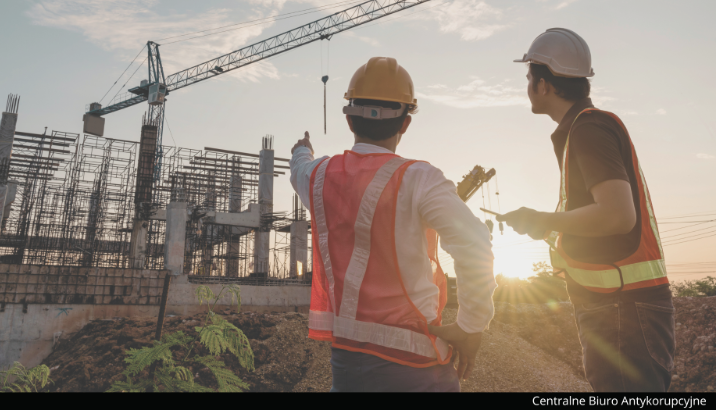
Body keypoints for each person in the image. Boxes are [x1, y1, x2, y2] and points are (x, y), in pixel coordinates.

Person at [289, 57, 496, 392]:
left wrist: (302, 149)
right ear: (405, 124)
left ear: (349, 119)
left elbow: (299, 166)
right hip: (416, 370)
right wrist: (471, 326)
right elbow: (475, 244)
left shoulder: (318, 176)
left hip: (346, 368)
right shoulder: (419, 179)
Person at [501, 28, 674, 392]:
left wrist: (541, 218)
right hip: (622, 306)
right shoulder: (585, 129)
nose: (528, 85)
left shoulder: (588, 129)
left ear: (544, 84)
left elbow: (616, 215)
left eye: (529, 77)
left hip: (623, 309)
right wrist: (542, 226)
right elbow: (598, 220)